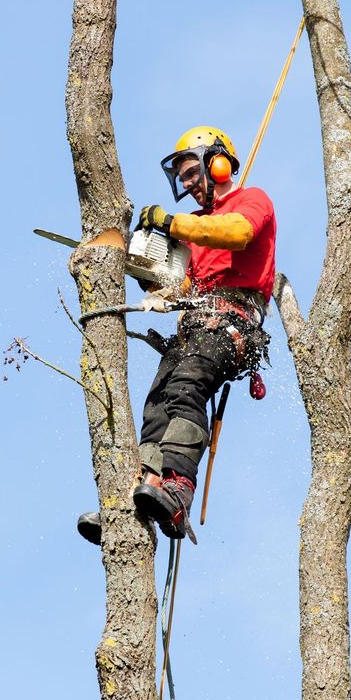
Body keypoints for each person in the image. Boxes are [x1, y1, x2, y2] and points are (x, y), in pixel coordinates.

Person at [77, 126, 276, 545]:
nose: (186, 184)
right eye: (182, 177)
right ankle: (140, 492)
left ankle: (178, 485)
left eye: (190, 172)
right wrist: (153, 278)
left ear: (216, 162)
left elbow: (237, 234)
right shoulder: (194, 228)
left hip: (232, 320)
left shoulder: (250, 201)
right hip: (193, 324)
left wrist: (172, 224)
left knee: (187, 388)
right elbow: (183, 285)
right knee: (158, 401)